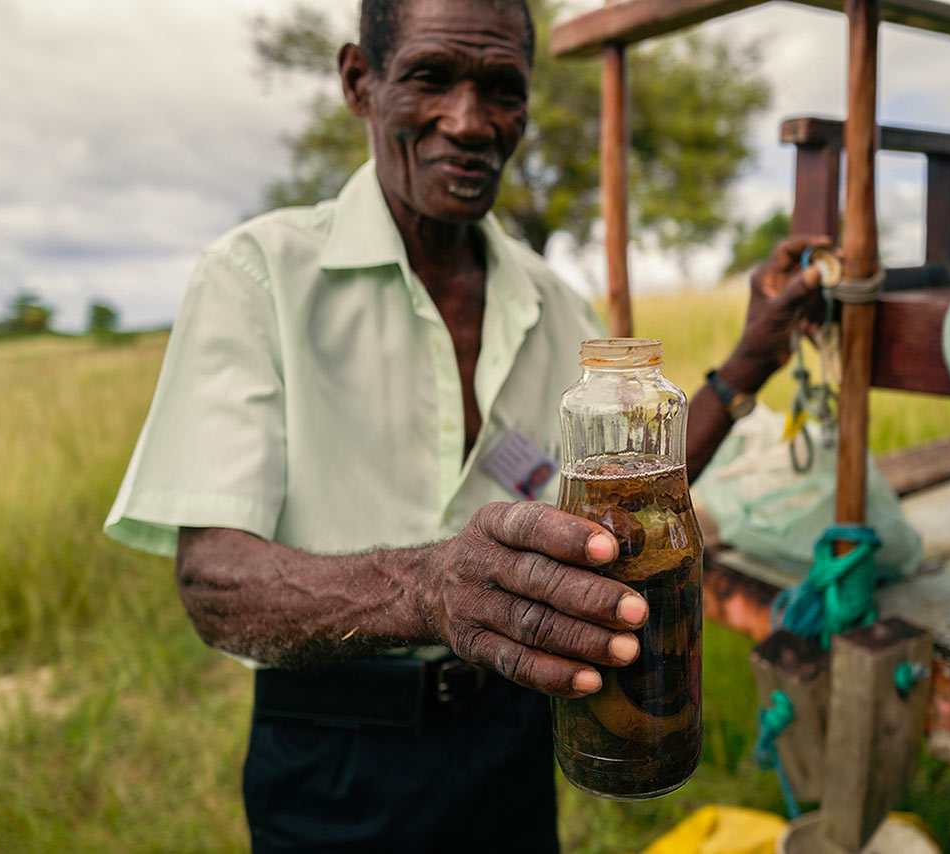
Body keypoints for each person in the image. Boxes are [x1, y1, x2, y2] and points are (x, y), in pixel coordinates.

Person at [104, 0, 829, 849]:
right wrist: (429, 590)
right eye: (430, 77)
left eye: (501, 88)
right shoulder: (257, 276)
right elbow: (216, 585)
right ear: (358, 82)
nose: (470, 120)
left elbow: (641, 491)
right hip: (339, 750)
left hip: (514, 733)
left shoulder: (555, 305)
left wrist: (750, 360)